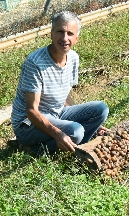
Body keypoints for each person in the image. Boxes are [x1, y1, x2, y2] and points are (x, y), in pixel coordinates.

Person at [10, 10, 109, 152]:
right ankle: (32, 149)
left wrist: (92, 125)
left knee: (101, 109)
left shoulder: (73, 58)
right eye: (60, 32)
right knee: (76, 131)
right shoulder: (35, 63)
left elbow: (65, 95)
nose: (64, 38)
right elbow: (32, 111)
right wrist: (57, 133)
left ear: (76, 38)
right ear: (51, 33)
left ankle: (78, 145)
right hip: (28, 125)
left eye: (70, 33)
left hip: (56, 114)